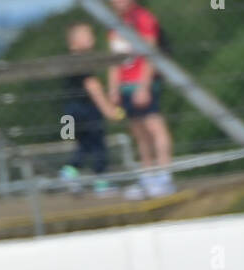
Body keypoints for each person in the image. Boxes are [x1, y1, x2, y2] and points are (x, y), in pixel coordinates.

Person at [107, 0, 175, 199]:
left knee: (155, 128)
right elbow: (114, 60)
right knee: (139, 133)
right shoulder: (115, 24)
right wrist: (113, 88)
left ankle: (164, 176)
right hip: (125, 85)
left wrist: (144, 86)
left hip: (143, 82)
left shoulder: (143, 18)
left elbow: (150, 54)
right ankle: (147, 177)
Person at [60, 23, 126, 195]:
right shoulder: (84, 61)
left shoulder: (68, 61)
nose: (92, 38)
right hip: (87, 110)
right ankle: (101, 182)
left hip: (70, 112)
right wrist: (107, 109)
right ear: (74, 41)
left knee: (83, 145)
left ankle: (70, 170)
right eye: (87, 35)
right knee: (98, 145)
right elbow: (92, 86)